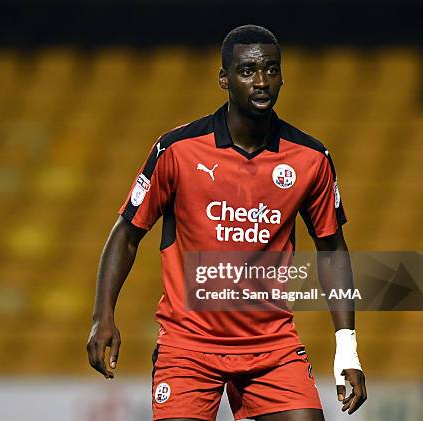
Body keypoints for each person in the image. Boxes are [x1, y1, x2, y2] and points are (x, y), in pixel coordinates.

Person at [86, 24, 367, 421]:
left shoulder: (310, 158)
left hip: (271, 346)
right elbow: (127, 234)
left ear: (283, 76)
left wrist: (347, 350)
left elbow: (333, 250)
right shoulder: (178, 150)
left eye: (271, 70)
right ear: (224, 78)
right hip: (188, 345)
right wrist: (103, 316)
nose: (261, 81)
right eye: (247, 71)